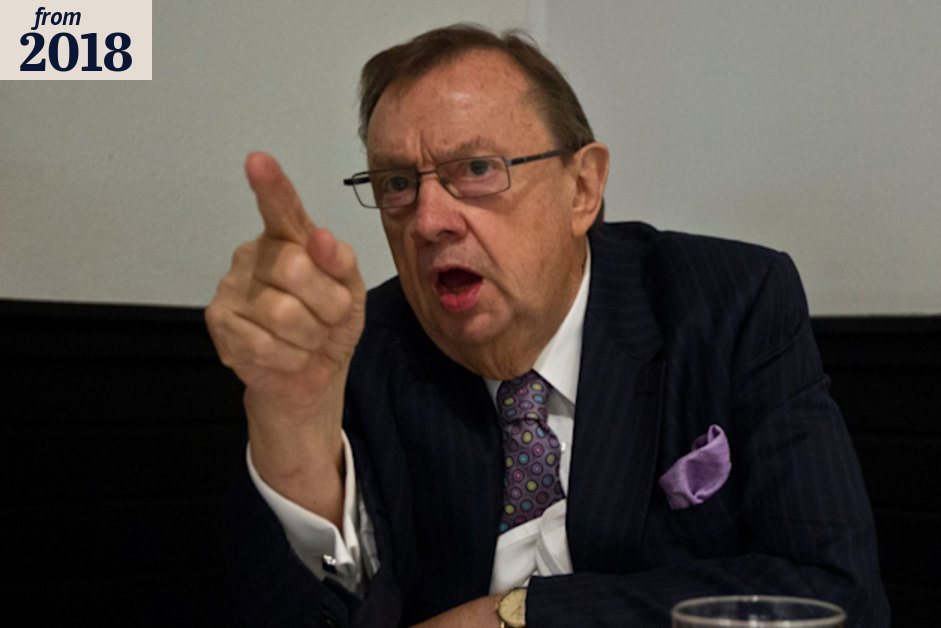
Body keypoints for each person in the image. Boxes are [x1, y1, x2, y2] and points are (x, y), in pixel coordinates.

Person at [207, 24, 889, 627]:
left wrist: (517, 616)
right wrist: (294, 432)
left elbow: (837, 599)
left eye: (477, 169)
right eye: (396, 184)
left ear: (582, 188)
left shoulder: (727, 305)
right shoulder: (357, 353)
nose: (427, 221)